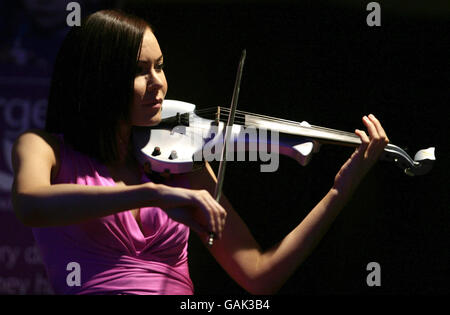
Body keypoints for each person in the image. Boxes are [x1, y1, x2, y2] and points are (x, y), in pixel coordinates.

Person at [11, 9, 389, 295]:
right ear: (99, 78)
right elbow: (31, 204)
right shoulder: (44, 148)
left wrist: (340, 191)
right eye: (139, 71)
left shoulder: (178, 163)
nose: (158, 84)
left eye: (160, 67)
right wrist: (154, 194)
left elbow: (258, 274)